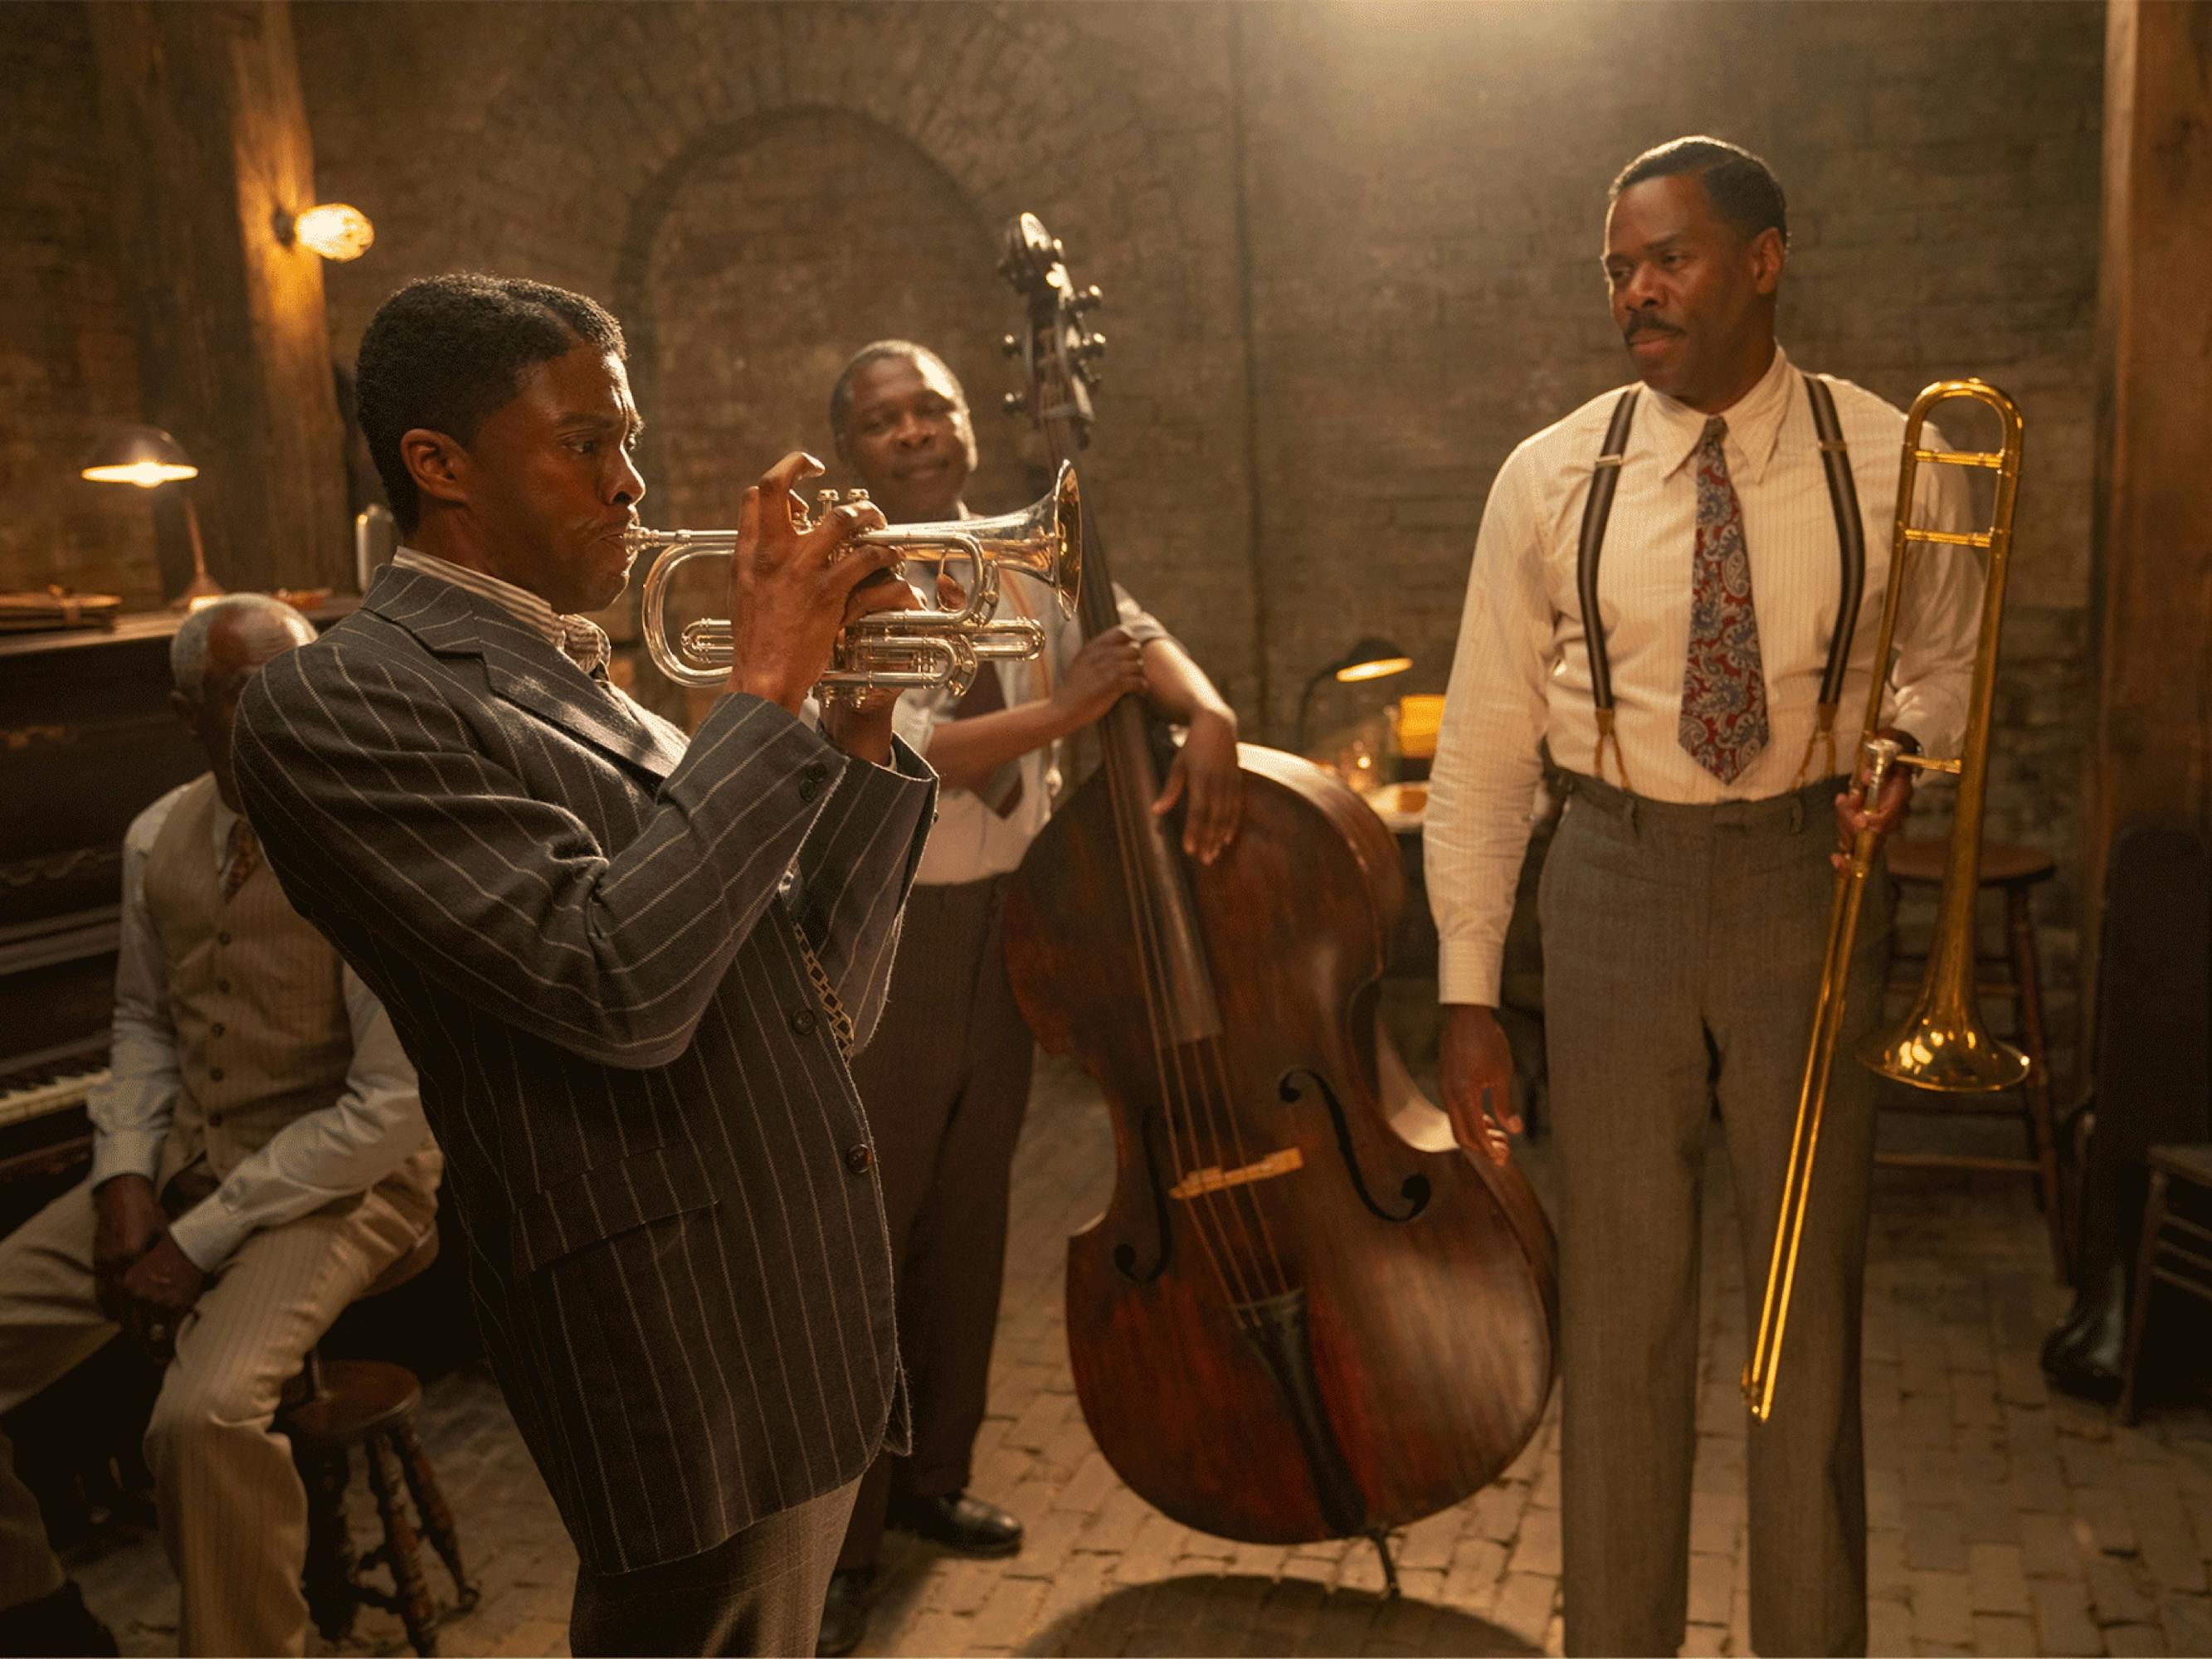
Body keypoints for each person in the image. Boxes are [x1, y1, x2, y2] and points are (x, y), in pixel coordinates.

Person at [231, 275, 938, 1657]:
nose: (632, 483)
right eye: (586, 444)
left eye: (631, 442)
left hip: (796, 1313)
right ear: (440, 465)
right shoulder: (338, 695)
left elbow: (813, 1001)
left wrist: (856, 719)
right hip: (678, 1344)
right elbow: (615, 986)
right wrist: (767, 691)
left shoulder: (584, 681)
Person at [1424, 138, 1982, 1657]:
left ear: (1763, 259)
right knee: (1620, 1323)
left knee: (1807, 1321)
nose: (1637, 293)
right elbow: (1480, 746)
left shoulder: (1894, 453)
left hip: (1812, 883)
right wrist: (1471, 992)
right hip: (1608, 886)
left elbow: (1939, 658)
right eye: (1617, 268)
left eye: (1665, 258)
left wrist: (1908, 754)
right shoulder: (1549, 476)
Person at [814, 341, 1244, 1656]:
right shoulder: (850, 578)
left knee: (967, 1216)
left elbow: (1137, 635)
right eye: (881, 421)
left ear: (962, 420)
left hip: (1007, 926)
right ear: (853, 450)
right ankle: (842, 1533)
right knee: (870, 1240)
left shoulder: (1024, 544)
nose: (912, 432)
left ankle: (934, 1480)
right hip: (883, 936)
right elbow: (905, 746)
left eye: (928, 406)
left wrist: (1206, 708)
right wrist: (1064, 716)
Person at [0, 594, 441, 1657]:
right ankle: (39, 1614)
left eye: (304, 681)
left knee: (198, 1422)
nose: (290, 709)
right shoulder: (158, 832)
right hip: (187, 1162)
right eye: (252, 693)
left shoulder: (369, 833)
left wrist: (192, 1240)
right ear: (188, 709)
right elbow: (143, 1025)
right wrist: (123, 1182)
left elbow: (393, 1102)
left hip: (354, 1184)